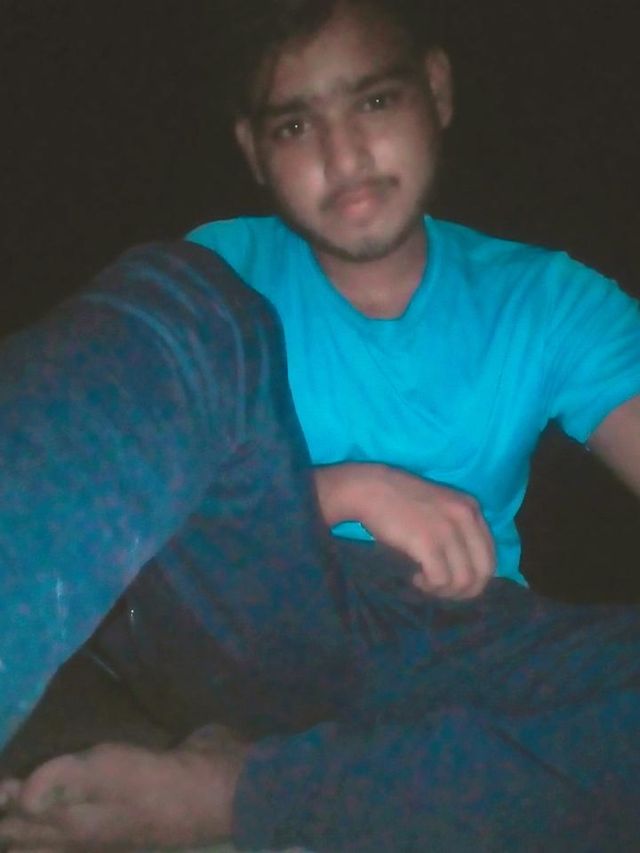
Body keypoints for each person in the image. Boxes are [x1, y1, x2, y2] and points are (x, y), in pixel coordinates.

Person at [0, 0, 639, 849]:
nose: (343, 156)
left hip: (464, 642)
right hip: (252, 624)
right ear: (253, 150)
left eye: (374, 101)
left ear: (436, 91)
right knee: (173, 301)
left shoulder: (549, 299)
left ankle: (241, 791)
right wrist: (350, 490)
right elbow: (135, 502)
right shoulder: (219, 277)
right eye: (296, 125)